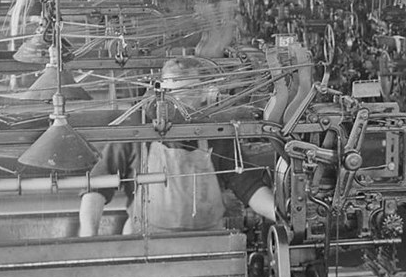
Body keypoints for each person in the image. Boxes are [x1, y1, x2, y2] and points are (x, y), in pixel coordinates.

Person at [78, 56, 276, 236]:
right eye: (171, 94)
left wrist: (282, 215)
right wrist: (89, 236)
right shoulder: (136, 129)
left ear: (205, 95)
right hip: (143, 243)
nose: (179, 102)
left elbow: (249, 187)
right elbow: (96, 186)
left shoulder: (215, 133)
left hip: (207, 245)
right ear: (160, 92)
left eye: (189, 92)